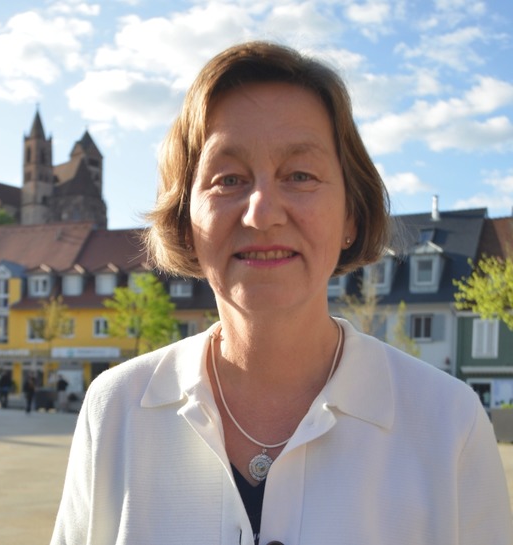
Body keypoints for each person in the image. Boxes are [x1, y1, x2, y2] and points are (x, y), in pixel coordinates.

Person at [50, 41, 512, 545]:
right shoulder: (114, 411)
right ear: (185, 222)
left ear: (351, 216)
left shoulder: (449, 426)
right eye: (228, 179)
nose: (263, 212)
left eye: (300, 175)